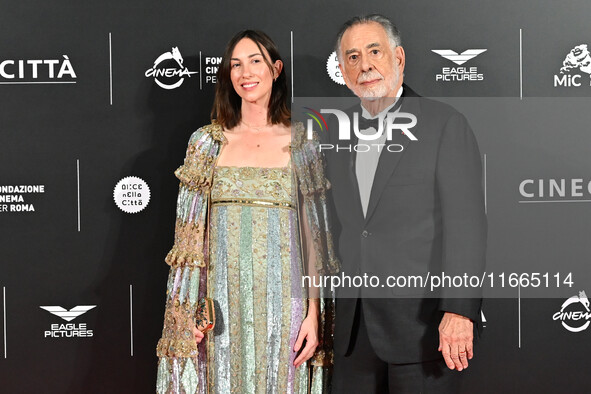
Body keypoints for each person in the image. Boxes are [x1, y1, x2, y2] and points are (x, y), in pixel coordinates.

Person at [155, 30, 338, 394]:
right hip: (220, 305)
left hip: (286, 302)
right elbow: (190, 238)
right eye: (235, 64)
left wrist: (314, 314)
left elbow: (314, 237)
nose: (245, 72)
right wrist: (186, 310)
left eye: (255, 61)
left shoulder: (304, 142)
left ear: (275, 69)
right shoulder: (206, 143)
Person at [323, 15, 487, 393]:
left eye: (374, 51)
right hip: (353, 335)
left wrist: (460, 310)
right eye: (352, 57)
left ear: (398, 57)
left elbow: (467, 227)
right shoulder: (336, 134)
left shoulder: (443, 124)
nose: (364, 65)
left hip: (423, 332)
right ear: (343, 71)